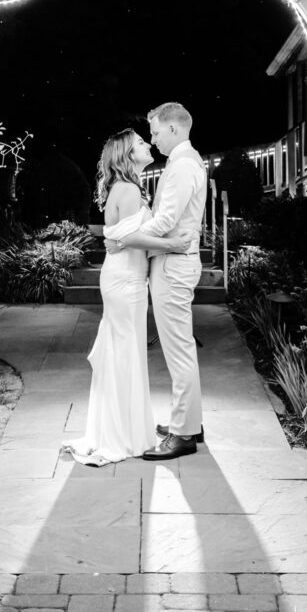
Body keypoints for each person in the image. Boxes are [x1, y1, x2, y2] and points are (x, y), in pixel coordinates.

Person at [62, 128, 192, 467]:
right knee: (126, 354)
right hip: (126, 281)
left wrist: (121, 237)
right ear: (127, 155)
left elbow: (121, 236)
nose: (147, 144)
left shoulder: (126, 188)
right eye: (140, 143)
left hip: (123, 277)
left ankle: (121, 429)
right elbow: (132, 238)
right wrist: (172, 245)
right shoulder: (130, 189)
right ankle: (123, 435)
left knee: (124, 353)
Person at [107, 102, 207, 461]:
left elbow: (165, 221)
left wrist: (124, 236)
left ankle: (183, 434)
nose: (152, 138)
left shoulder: (182, 166)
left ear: (174, 130)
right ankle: (189, 423)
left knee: (178, 351)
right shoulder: (185, 162)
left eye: (155, 132)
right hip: (174, 262)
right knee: (180, 348)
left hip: (173, 265)